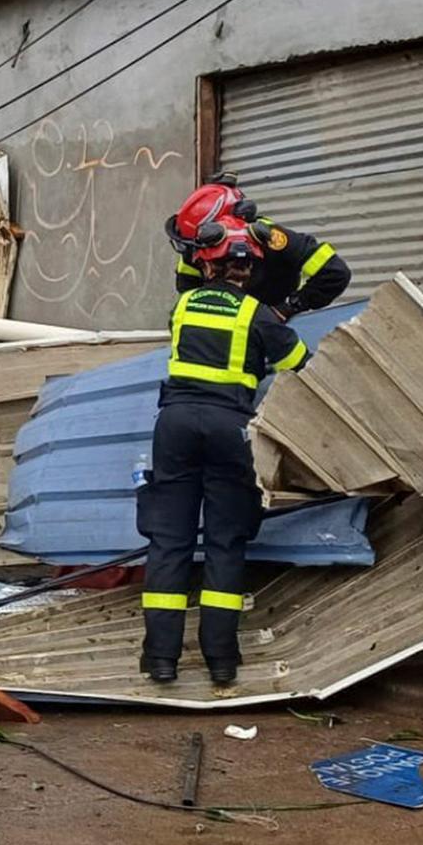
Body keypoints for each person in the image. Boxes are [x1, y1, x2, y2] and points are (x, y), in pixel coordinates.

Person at [140, 185, 310, 690]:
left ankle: (161, 660)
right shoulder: (255, 314)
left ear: (206, 263)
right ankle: (221, 662)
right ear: (248, 267)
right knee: (225, 542)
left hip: (173, 426)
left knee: (168, 543)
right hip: (229, 428)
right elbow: (297, 363)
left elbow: (188, 285)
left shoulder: (184, 307)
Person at [171, 172, 351, 317]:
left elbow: (334, 273)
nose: (193, 254)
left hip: (271, 329)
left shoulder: (274, 240)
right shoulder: (194, 247)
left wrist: (288, 308)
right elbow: (187, 292)